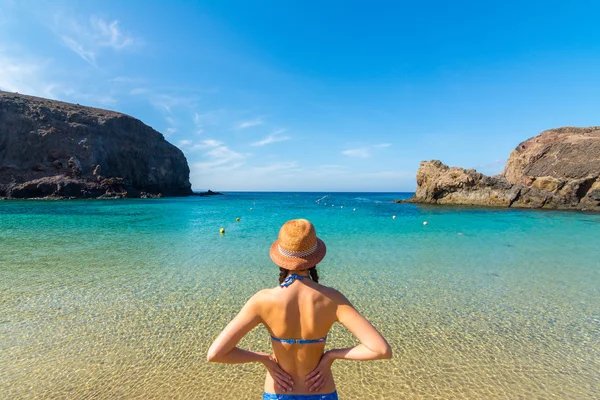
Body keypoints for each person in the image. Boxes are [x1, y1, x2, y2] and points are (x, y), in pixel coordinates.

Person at [207, 219, 392, 399]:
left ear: (281, 258)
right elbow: (381, 350)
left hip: (277, 393)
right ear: (314, 258)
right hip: (321, 392)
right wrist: (331, 356)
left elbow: (216, 354)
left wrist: (264, 358)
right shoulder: (332, 299)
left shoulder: (262, 300)